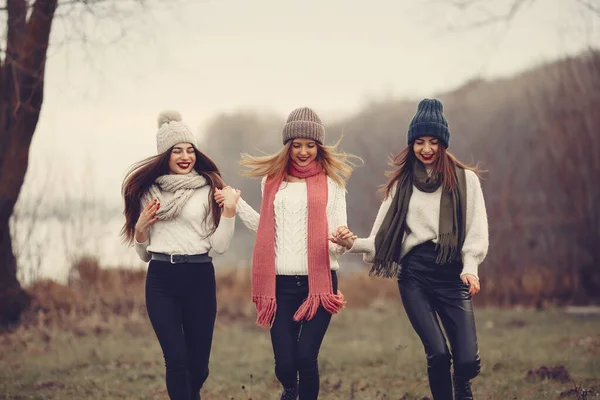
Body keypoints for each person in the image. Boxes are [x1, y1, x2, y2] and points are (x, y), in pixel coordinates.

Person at [331, 99, 488, 400]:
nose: (426, 148)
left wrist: (471, 268)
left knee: (466, 362)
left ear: (443, 143)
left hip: (452, 272)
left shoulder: (466, 181)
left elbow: (476, 233)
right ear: (411, 144)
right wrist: (350, 243)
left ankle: (463, 382)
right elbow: (379, 240)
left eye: (432, 141)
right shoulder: (401, 185)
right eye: (419, 142)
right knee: (439, 354)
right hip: (415, 275)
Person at [215, 107, 359, 400]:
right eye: (297, 145)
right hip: (279, 285)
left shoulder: (333, 184)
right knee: (285, 365)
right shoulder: (272, 182)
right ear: (288, 146)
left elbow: (337, 240)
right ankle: (289, 390)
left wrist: (342, 241)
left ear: (319, 146)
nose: (303, 151)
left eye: (310, 145)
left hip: (319, 286)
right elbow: (266, 229)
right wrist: (237, 204)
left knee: (306, 359)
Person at [121, 111, 240, 400]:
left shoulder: (210, 188)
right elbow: (143, 254)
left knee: (198, 368)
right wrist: (139, 229)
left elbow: (220, 246)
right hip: (162, 279)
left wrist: (230, 211)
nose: (185, 156)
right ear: (165, 155)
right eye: (177, 150)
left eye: (190, 149)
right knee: (176, 361)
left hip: (199, 277)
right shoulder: (147, 191)